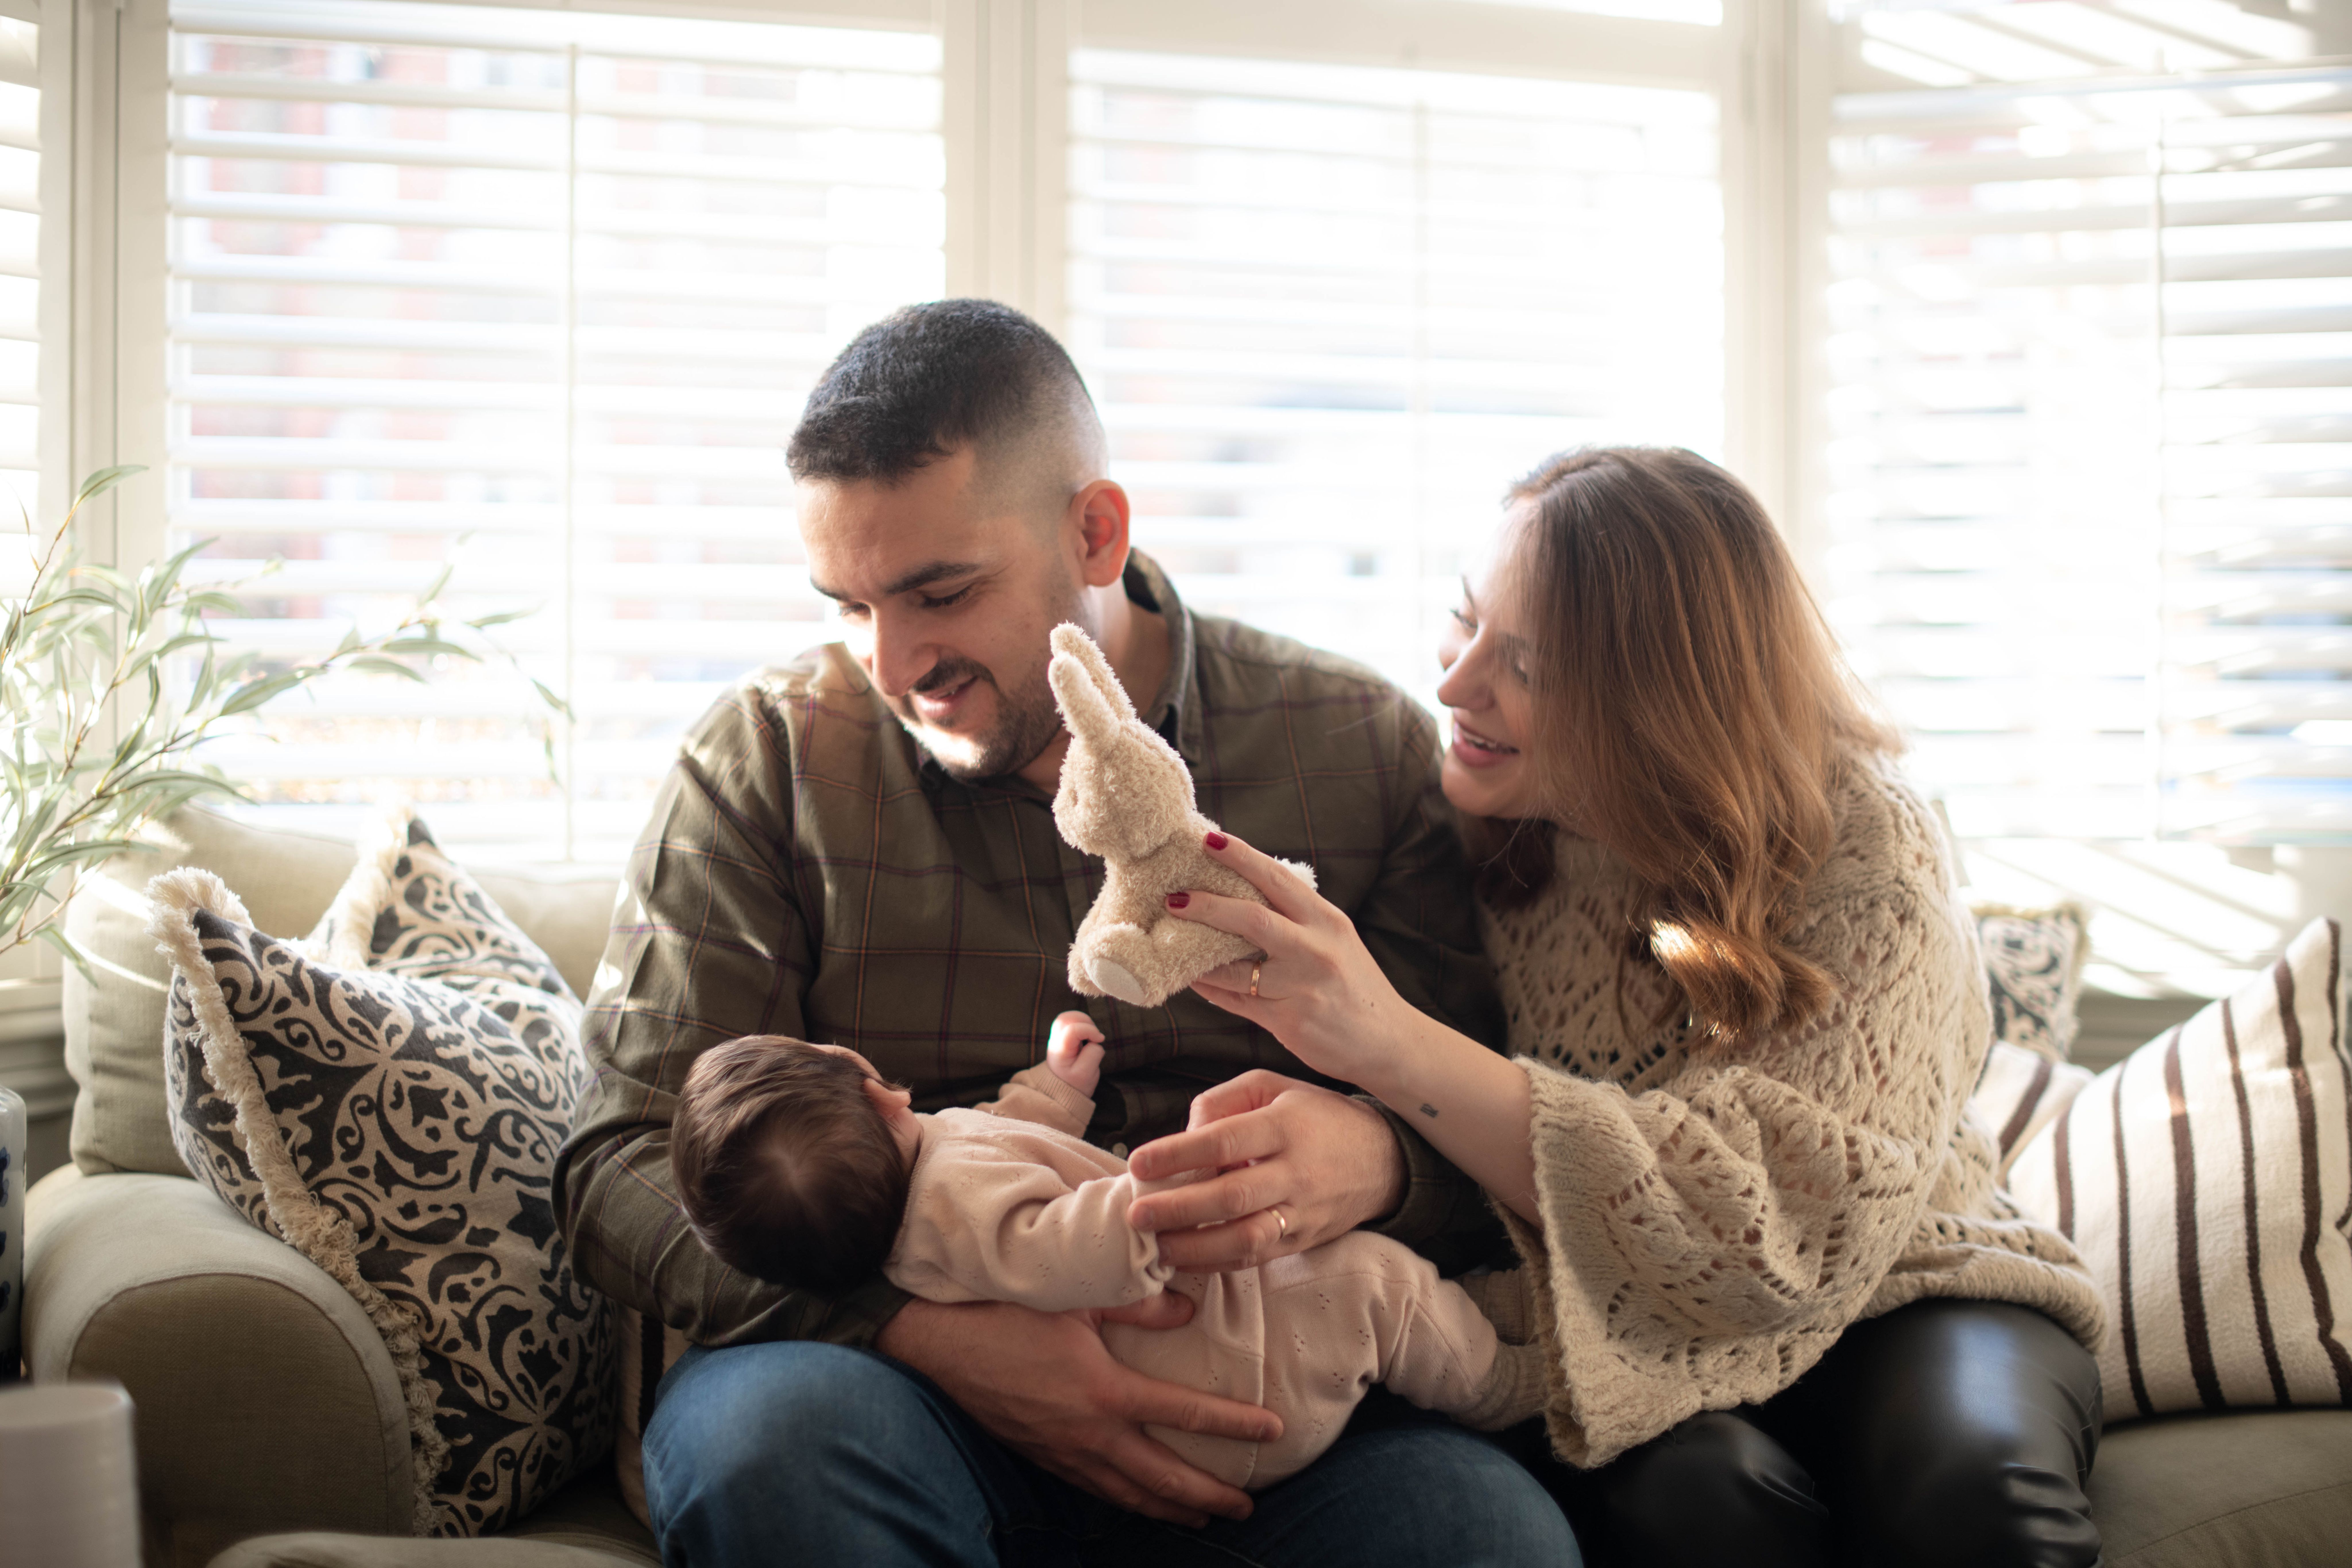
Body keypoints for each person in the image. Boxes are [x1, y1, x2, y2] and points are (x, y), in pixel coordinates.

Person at [553, 299, 1576, 1567]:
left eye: (939, 592)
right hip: (896, 1389)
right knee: (771, 1445)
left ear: (1094, 532)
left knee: (1482, 1535)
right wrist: (917, 1329)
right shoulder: (766, 760)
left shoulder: (1351, 743)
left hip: (1280, 1390)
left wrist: (1380, 1159)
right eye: (849, 604)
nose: (893, 662)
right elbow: (618, 1162)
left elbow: (1508, 1117)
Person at [1147, 446, 2109, 1567]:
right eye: (1463, 623)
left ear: (1662, 696)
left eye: (1527, 667)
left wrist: (1394, 1045)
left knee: (1968, 1500)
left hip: (1902, 1288)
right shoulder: (1449, 820)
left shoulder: (1864, 849)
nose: (1454, 688)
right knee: (1692, 1502)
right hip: (1615, 1313)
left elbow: (1781, 1232)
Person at [667, 1022, 1547, 1490]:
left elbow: (1004, 1141)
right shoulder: (957, 1209)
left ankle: (1493, 1314)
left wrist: (1056, 1086)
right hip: (1234, 1383)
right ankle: (1511, 1388)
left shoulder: (923, 1193)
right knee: (1371, 1284)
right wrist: (1158, 1194)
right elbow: (1057, 1247)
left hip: (1204, 1373)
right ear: (877, 1090)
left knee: (1365, 1276)